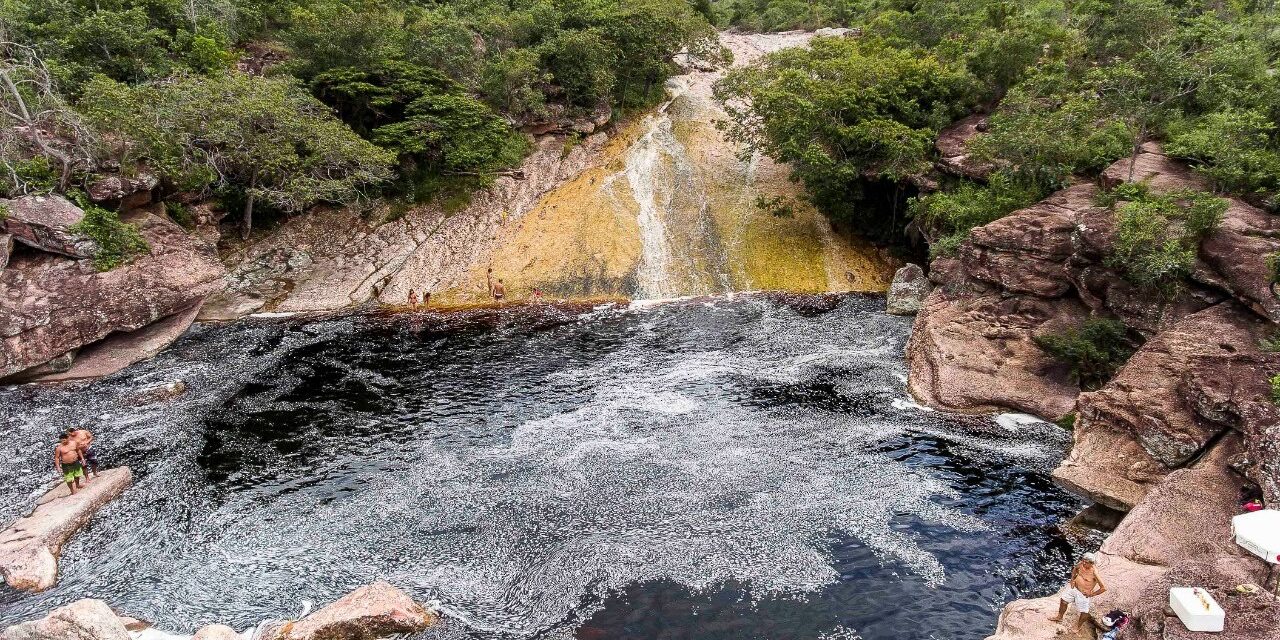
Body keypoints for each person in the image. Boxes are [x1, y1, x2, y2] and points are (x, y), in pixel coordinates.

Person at [1049, 552, 1107, 632]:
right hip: (1074, 588)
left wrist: (1091, 594)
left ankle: (1078, 627)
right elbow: (1075, 569)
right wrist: (1072, 579)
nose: (1083, 563)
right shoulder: (1081, 564)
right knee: (1063, 601)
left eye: (1086, 562)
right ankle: (1059, 617)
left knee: (1084, 611)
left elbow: (1103, 588)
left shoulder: (1094, 573)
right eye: (1083, 560)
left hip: (1083, 594)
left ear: (1091, 563)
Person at [54, 431, 87, 496]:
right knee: (69, 479)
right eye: (62, 440)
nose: (63, 441)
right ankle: (72, 490)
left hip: (75, 462)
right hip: (66, 465)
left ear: (68, 438)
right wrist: (58, 467)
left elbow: (78, 450)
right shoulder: (59, 448)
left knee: (77, 475)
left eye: (64, 439)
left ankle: (77, 485)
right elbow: (57, 458)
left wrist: (82, 459)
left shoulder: (74, 443)